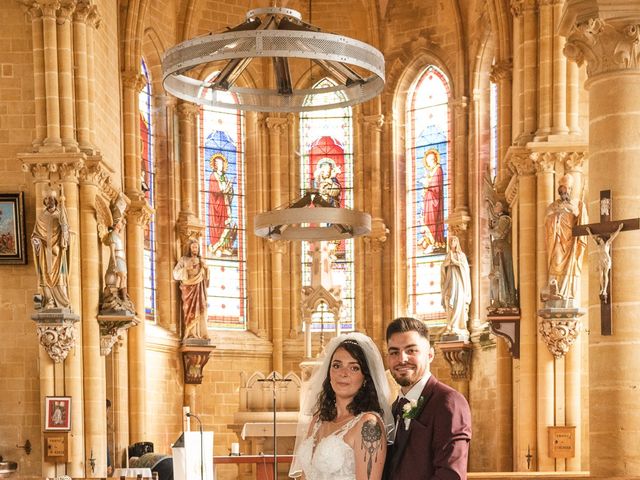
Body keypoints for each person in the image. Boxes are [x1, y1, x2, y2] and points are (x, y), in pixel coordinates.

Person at [290, 332, 394, 480]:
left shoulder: (369, 425)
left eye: (354, 368)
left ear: (365, 378)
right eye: (337, 366)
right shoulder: (317, 419)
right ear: (329, 373)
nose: (343, 373)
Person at [384, 317, 471, 480]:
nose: (402, 359)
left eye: (411, 350)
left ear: (430, 355)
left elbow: (450, 475)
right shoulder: (394, 407)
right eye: (394, 352)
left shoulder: (448, 402)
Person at [543, 174, 587, 303]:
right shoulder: (553, 206)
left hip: (571, 242)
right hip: (557, 240)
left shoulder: (577, 205)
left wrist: (580, 214)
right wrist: (556, 216)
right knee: (555, 262)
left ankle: (568, 293)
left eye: (566, 189)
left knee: (571, 266)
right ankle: (555, 291)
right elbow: (547, 221)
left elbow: (582, 223)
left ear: (571, 190)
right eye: (562, 189)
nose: (564, 191)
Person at [31, 189, 71, 309]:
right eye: (47, 199)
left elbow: (66, 231)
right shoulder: (41, 216)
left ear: (55, 201)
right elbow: (35, 234)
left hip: (57, 251)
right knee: (44, 275)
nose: (49, 201)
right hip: (44, 250)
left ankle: (62, 301)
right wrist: (36, 241)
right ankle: (50, 300)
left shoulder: (60, 215)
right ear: (44, 201)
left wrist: (65, 231)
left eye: (51, 199)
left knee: (60, 275)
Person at [173, 239, 210, 340]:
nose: (195, 249)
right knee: (189, 310)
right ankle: (190, 333)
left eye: (197, 247)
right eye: (193, 247)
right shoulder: (184, 260)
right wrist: (186, 269)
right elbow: (175, 274)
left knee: (200, 307)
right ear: (190, 248)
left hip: (199, 288)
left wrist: (206, 269)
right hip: (188, 288)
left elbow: (207, 280)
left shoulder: (201, 261)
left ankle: (200, 333)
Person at [487, 200, 517, 310]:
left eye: (497, 205)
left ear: (502, 208)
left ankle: (506, 299)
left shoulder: (505, 219)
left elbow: (499, 233)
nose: (495, 207)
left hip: (502, 249)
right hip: (497, 248)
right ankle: (497, 300)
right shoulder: (499, 220)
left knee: (502, 273)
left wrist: (489, 229)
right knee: (495, 274)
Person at [441, 235, 472, 336]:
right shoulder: (447, 255)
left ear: (457, 242)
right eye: (450, 241)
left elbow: (465, 268)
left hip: (459, 282)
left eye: (454, 241)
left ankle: (458, 326)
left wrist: (455, 262)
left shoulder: (461, 255)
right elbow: (443, 267)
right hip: (450, 281)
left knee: (459, 302)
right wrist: (447, 263)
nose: (452, 242)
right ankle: (450, 325)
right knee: (450, 302)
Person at [586, 223, 623, 302]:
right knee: (600, 274)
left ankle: (605, 289)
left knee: (605, 274)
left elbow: (613, 237)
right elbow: (592, 239)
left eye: (599, 239)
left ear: (602, 239)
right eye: (598, 239)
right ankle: (602, 289)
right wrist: (589, 232)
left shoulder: (607, 244)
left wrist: (619, 229)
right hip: (600, 260)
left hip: (606, 260)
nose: (598, 240)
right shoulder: (598, 246)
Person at [208, 153, 236, 256]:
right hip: (216, 205)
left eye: (221, 163)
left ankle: (224, 247)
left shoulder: (225, 177)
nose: (219, 165)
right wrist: (224, 189)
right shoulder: (213, 176)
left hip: (225, 204)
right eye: (217, 163)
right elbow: (215, 191)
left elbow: (230, 192)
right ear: (214, 165)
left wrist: (230, 188)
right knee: (217, 225)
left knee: (227, 224)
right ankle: (216, 247)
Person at [418, 149, 445, 253]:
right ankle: (427, 239)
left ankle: (433, 242)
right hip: (429, 199)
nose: (428, 162)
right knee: (427, 218)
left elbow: (436, 185)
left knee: (432, 220)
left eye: (429, 160)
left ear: (433, 159)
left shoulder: (438, 169)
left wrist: (426, 183)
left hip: (434, 201)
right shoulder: (431, 171)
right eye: (427, 160)